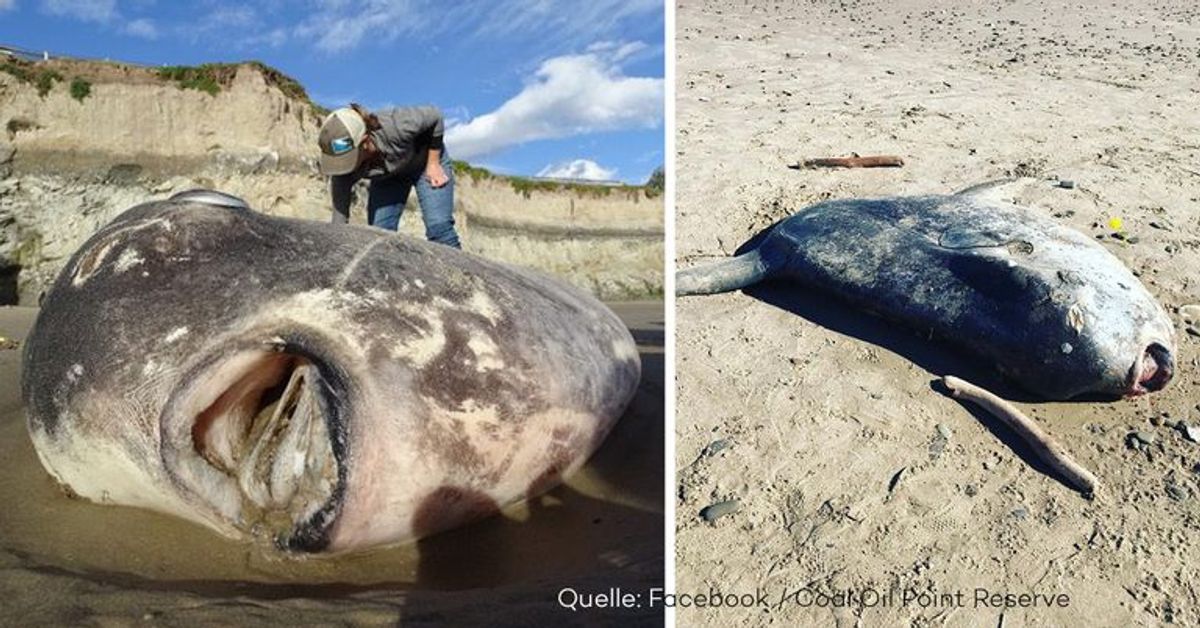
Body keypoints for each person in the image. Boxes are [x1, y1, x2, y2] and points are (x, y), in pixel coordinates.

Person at [317, 103, 461, 248]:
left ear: (364, 141)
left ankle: (461, 271)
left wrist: (433, 163)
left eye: (347, 158)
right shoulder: (343, 172)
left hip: (425, 164)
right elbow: (339, 222)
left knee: (439, 229)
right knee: (378, 236)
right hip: (389, 178)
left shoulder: (395, 125)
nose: (344, 165)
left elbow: (434, 115)